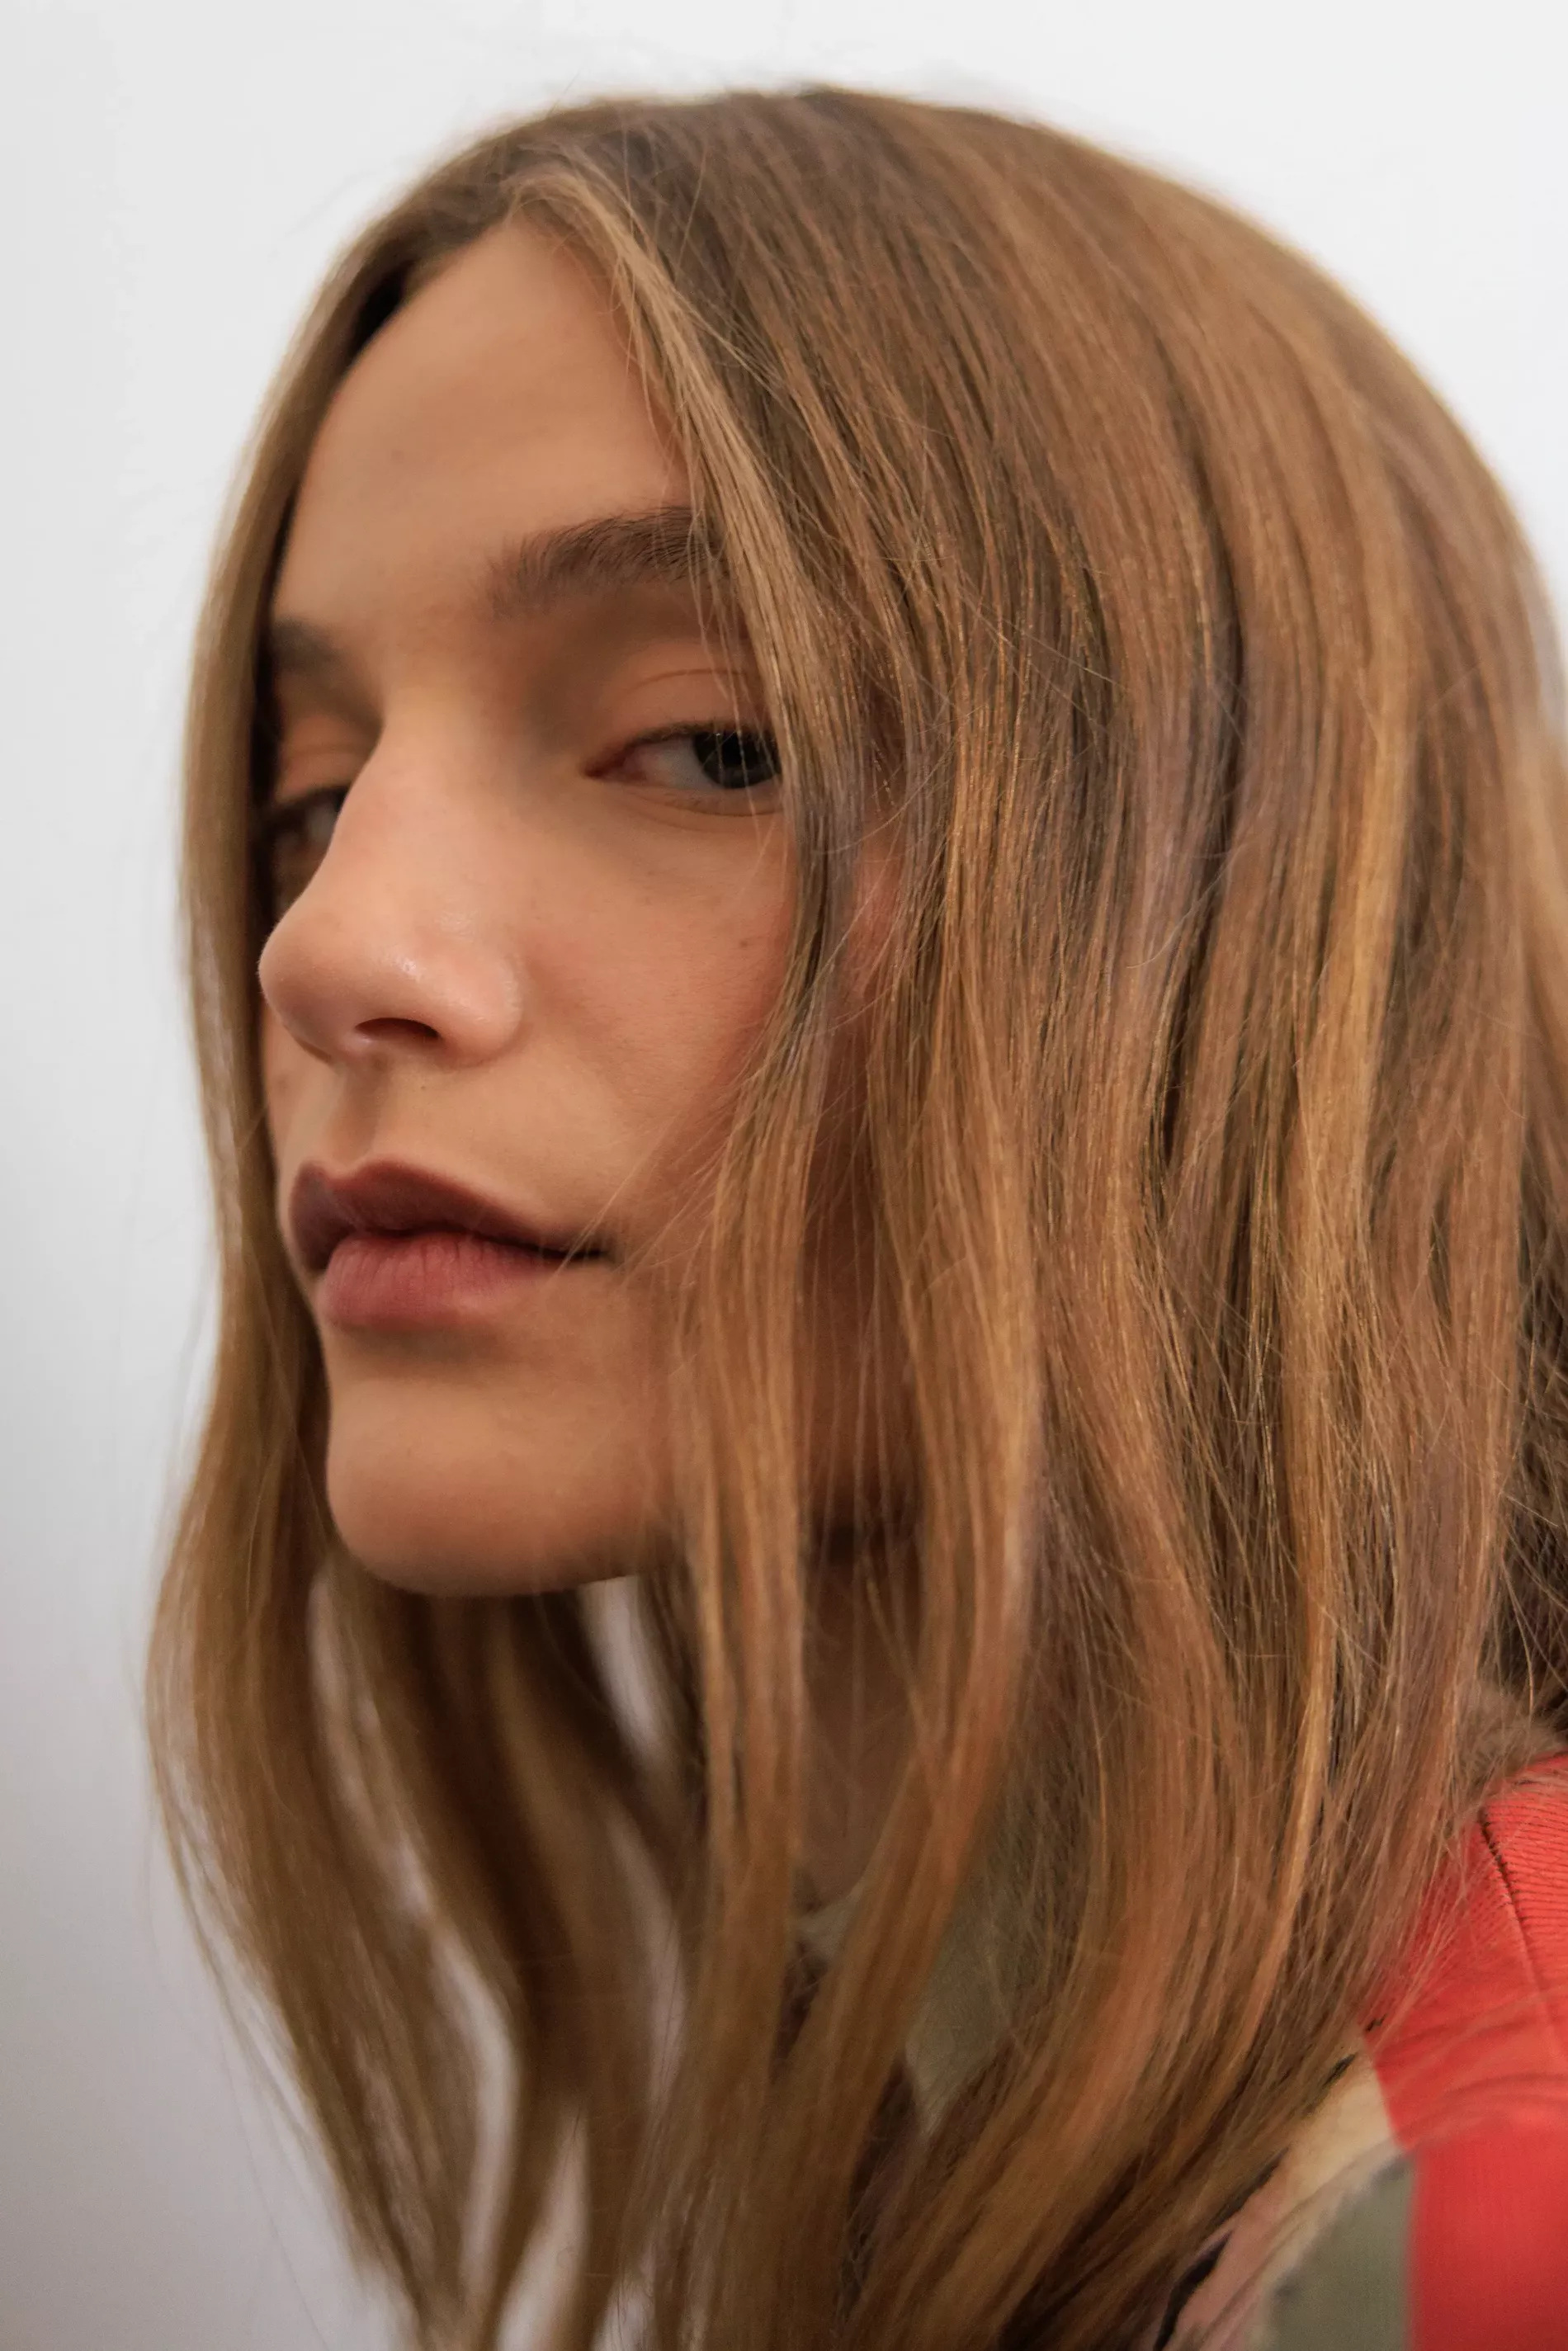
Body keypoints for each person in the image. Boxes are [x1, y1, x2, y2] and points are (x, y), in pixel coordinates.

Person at [147, 85, 1568, 2351]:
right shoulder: (1011, 2136)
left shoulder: (1476, 2245)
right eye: (310, 799)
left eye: (714, 741)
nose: (325, 948)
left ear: (1274, 924)